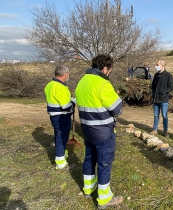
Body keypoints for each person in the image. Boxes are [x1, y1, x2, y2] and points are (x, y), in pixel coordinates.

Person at [75, 54, 123, 209]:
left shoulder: (82, 82)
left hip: (87, 129)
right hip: (103, 131)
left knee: (89, 158)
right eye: (109, 70)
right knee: (104, 162)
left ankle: (88, 189)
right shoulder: (103, 84)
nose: (109, 73)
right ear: (105, 68)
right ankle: (104, 198)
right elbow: (117, 110)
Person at [44, 65, 75, 170]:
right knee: (61, 138)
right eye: (68, 74)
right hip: (61, 117)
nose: (68, 76)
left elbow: (59, 101)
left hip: (54, 116)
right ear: (65, 74)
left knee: (59, 135)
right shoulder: (60, 87)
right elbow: (66, 106)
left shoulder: (49, 85)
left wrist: (71, 100)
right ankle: (60, 163)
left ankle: (61, 153)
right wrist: (73, 104)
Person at [150, 59, 173, 137]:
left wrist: (164, 91)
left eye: (157, 65)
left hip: (164, 99)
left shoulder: (168, 75)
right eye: (156, 65)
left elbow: (171, 87)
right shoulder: (156, 75)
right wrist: (153, 93)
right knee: (156, 115)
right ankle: (155, 129)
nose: (156, 66)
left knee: (164, 115)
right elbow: (153, 85)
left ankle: (165, 131)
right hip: (156, 98)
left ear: (162, 65)